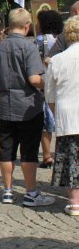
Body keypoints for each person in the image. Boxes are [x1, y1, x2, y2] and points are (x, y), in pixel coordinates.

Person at [0, 8, 55, 207]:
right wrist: (47, 81)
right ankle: (31, 192)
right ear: (27, 26)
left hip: (6, 106)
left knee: (6, 150)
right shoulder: (29, 47)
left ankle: (7, 191)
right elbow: (34, 79)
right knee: (28, 151)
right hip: (28, 107)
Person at [45, 16, 79, 216]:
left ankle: (75, 202)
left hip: (67, 114)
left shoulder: (57, 60)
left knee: (71, 158)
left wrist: (56, 111)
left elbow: (49, 94)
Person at [37, 10, 64, 169]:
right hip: (62, 84)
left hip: (45, 84)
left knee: (46, 122)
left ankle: (47, 156)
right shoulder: (63, 39)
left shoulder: (40, 41)